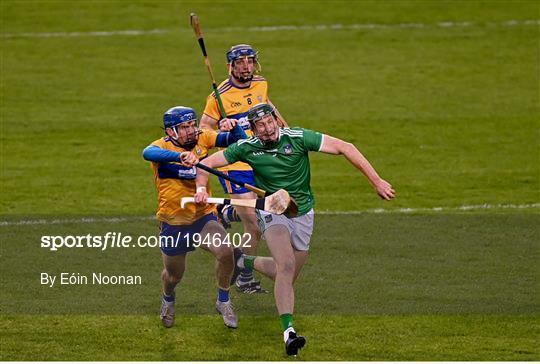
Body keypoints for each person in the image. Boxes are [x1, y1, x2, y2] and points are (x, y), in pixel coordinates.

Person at [194, 103, 395, 355]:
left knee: (286, 276)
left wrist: (376, 181)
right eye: (261, 126)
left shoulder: (298, 138)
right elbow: (204, 165)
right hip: (272, 211)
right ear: (253, 130)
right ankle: (289, 333)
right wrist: (201, 189)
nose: (267, 129)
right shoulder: (247, 148)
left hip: (303, 212)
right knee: (286, 266)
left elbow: (346, 147)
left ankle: (242, 260)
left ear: (277, 120)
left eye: (270, 122)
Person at [142, 106, 247, 329]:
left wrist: (234, 129)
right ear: (171, 131)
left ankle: (223, 300)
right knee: (173, 276)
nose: (191, 131)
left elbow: (240, 143)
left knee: (225, 252)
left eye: (192, 125)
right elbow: (147, 153)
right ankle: (168, 299)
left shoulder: (203, 138)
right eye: (184, 127)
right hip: (173, 222)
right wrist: (179, 156)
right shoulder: (161, 147)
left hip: (203, 217)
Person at [199, 44, 287, 294]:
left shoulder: (261, 83)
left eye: (250, 61)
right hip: (234, 163)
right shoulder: (219, 96)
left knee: (274, 209)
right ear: (231, 66)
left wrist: (287, 131)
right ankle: (245, 275)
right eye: (241, 62)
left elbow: (269, 107)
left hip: (260, 158)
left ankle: (226, 213)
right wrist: (221, 128)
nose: (247, 66)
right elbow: (203, 130)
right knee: (256, 226)